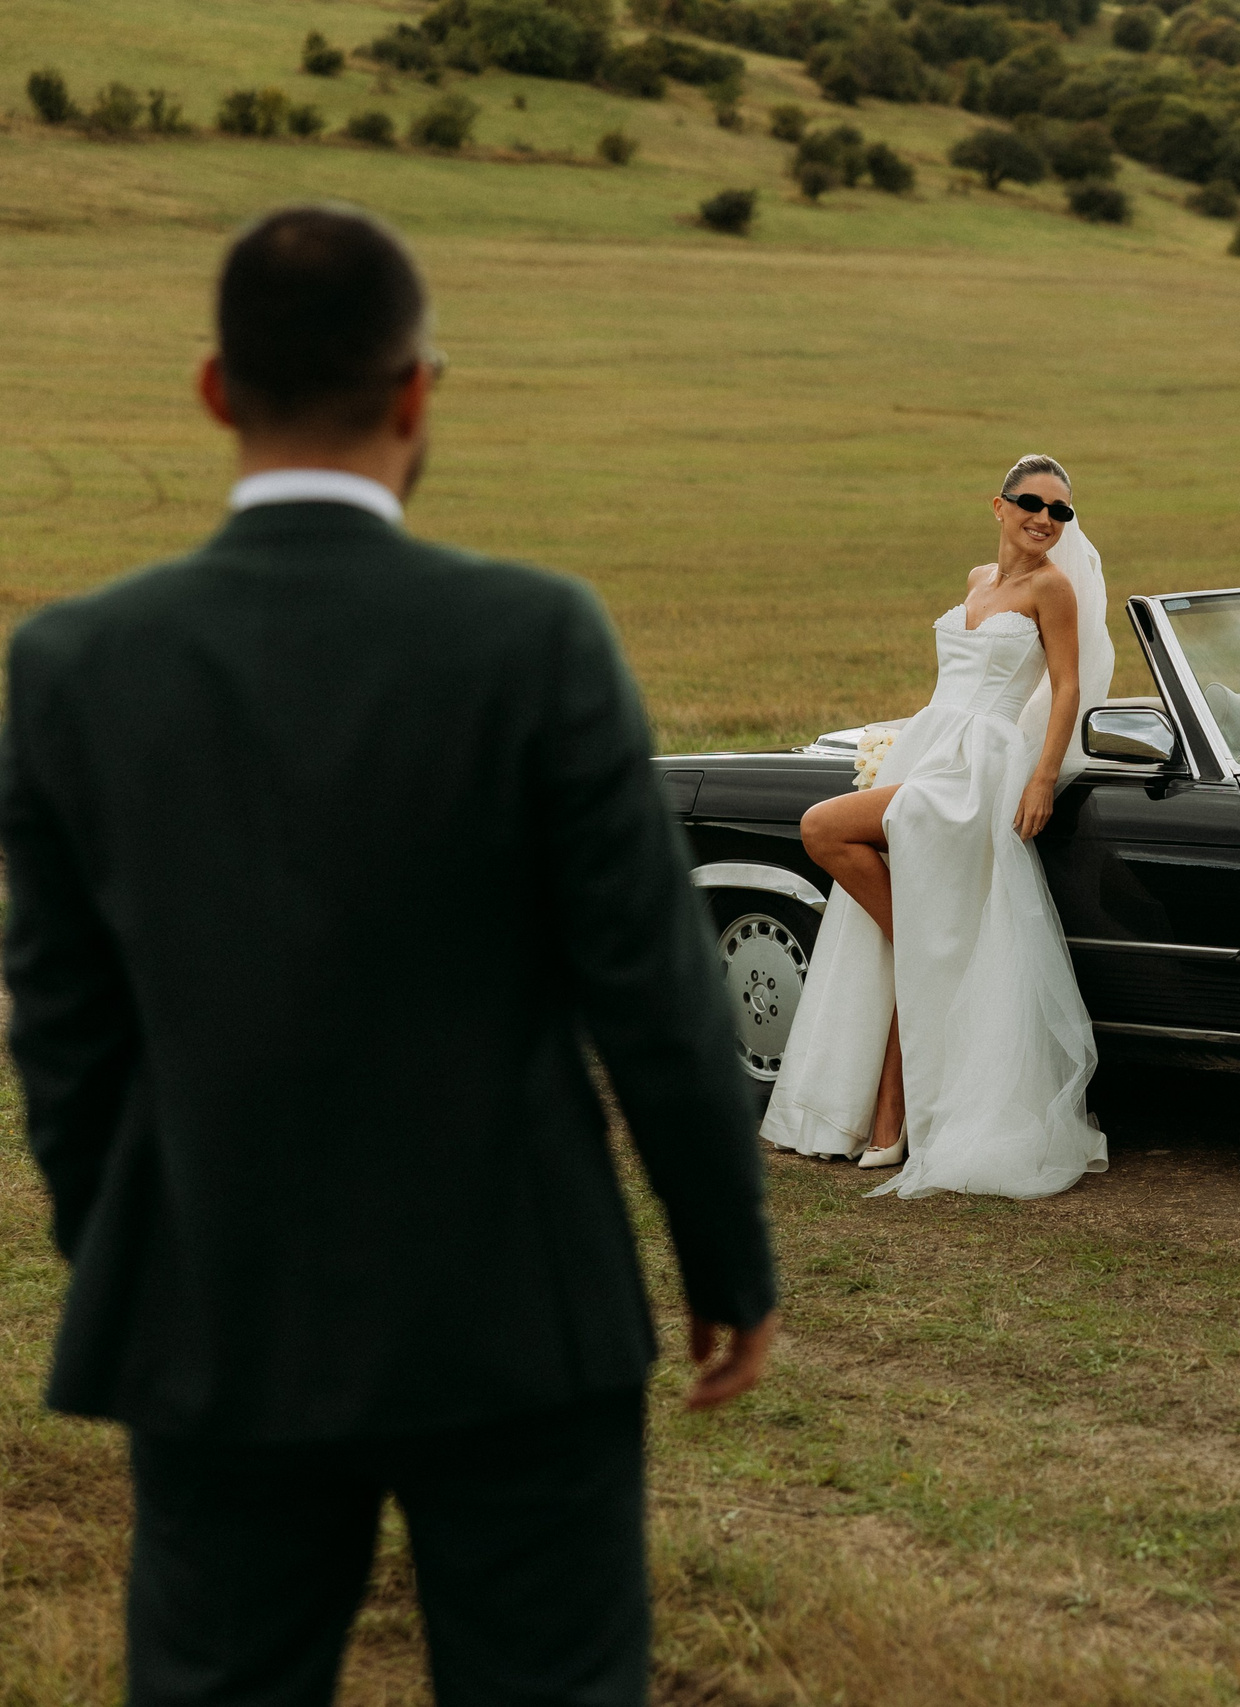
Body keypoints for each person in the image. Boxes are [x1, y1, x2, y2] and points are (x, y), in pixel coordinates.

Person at [0, 204, 778, 1702]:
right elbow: (658, 991)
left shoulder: (74, 665)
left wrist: (131, 1248)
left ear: (216, 389)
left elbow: (62, 1027)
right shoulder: (538, 635)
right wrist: (724, 1252)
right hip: (519, 1306)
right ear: (421, 389)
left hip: (212, 1303)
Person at [762, 454, 1112, 1198]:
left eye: (1060, 511)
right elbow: (949, 684)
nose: (1045, 519)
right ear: (998, 505)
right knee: (906, 927)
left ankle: (898, 1113)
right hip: (929, 748)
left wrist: (1042, 776)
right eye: (1031, 503)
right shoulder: (977, 582)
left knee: (823, 826)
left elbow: (1068, 687)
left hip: (978, 768)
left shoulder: (1053, 588)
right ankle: (890, 1118)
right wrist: (901, 743)